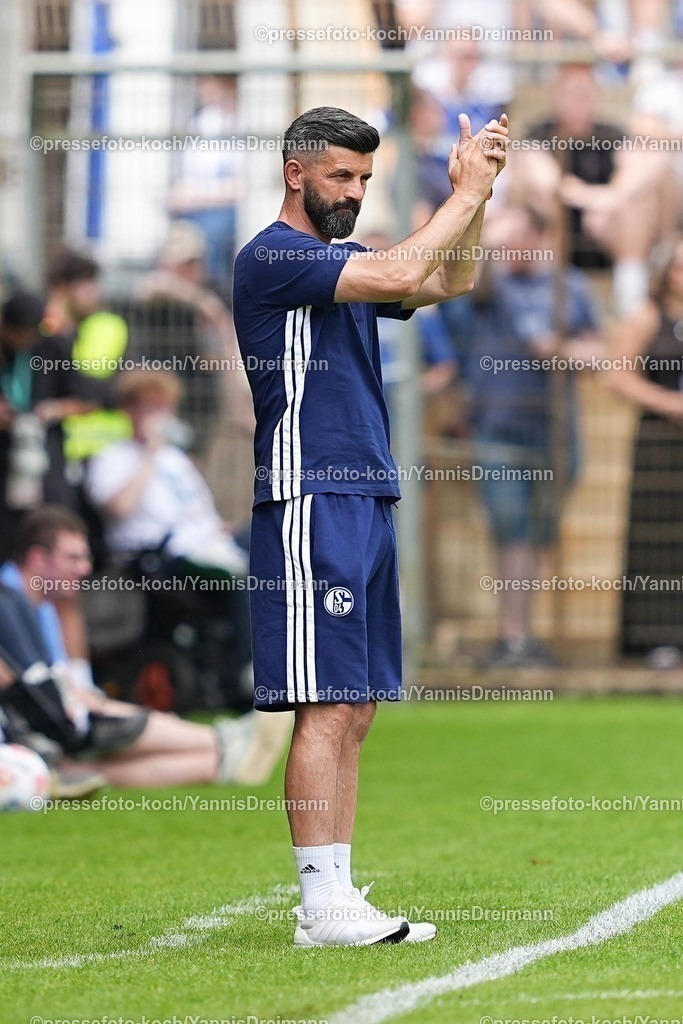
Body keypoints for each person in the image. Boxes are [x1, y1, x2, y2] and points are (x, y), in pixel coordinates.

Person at [233, 104, 508, 946]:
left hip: (361, 497)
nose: (352, 192)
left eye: (363, 179)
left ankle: (338, 893)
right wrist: (459, 193)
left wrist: (482, 194)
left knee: (352, 705)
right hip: (309, 495)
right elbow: (398, 276)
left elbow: (446, 280)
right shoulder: (273, 258)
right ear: (295, 174)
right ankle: (320, 904)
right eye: (339, 177)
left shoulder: (341, 260)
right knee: (323, 705)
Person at [0, 505, 291, 788]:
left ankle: (224, 757)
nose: (85, 569)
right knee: (105, 720)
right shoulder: (7, 602)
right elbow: (39, 694)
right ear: (38, 559)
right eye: (73, 558)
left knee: (204, 759)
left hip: (53, 725)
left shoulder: (44, 607)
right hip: (35, 734)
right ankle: (221, 740)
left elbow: (57, 683)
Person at [447, 205, 603, 666]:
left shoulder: (568, 287)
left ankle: (527, 635)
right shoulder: (487, 286)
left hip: (555, 432)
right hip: (497, 427)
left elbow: (598, 353)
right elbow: (459, 283)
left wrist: (563, 350)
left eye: (516, 239)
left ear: (540, 235)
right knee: (509, 529)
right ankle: (512, 636)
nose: (507, 250)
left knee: (538, 533)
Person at [85, 368, 253, 701]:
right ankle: (249, 668)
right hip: (165, 557)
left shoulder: (176, 459)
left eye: (163, 408)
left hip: (207, 541)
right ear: (128, 410)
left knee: (273, 540)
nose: (157, 417)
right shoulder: (112, 457)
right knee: (243, 574)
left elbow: (199, 510)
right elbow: (119, 507)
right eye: (148, 408)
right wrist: (149, 453)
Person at [605, 236, 683, 663]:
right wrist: (670, 403)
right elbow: (618, 377)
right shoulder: (647, 317)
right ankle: (658, 638)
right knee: (660, 538)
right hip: (661, 445)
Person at [0, 292, 94, 562]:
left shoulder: (53, 347)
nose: (24, 341)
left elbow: (89, 400)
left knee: (53, 531)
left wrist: (52, 411)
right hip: (7, 465)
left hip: (46, 462)